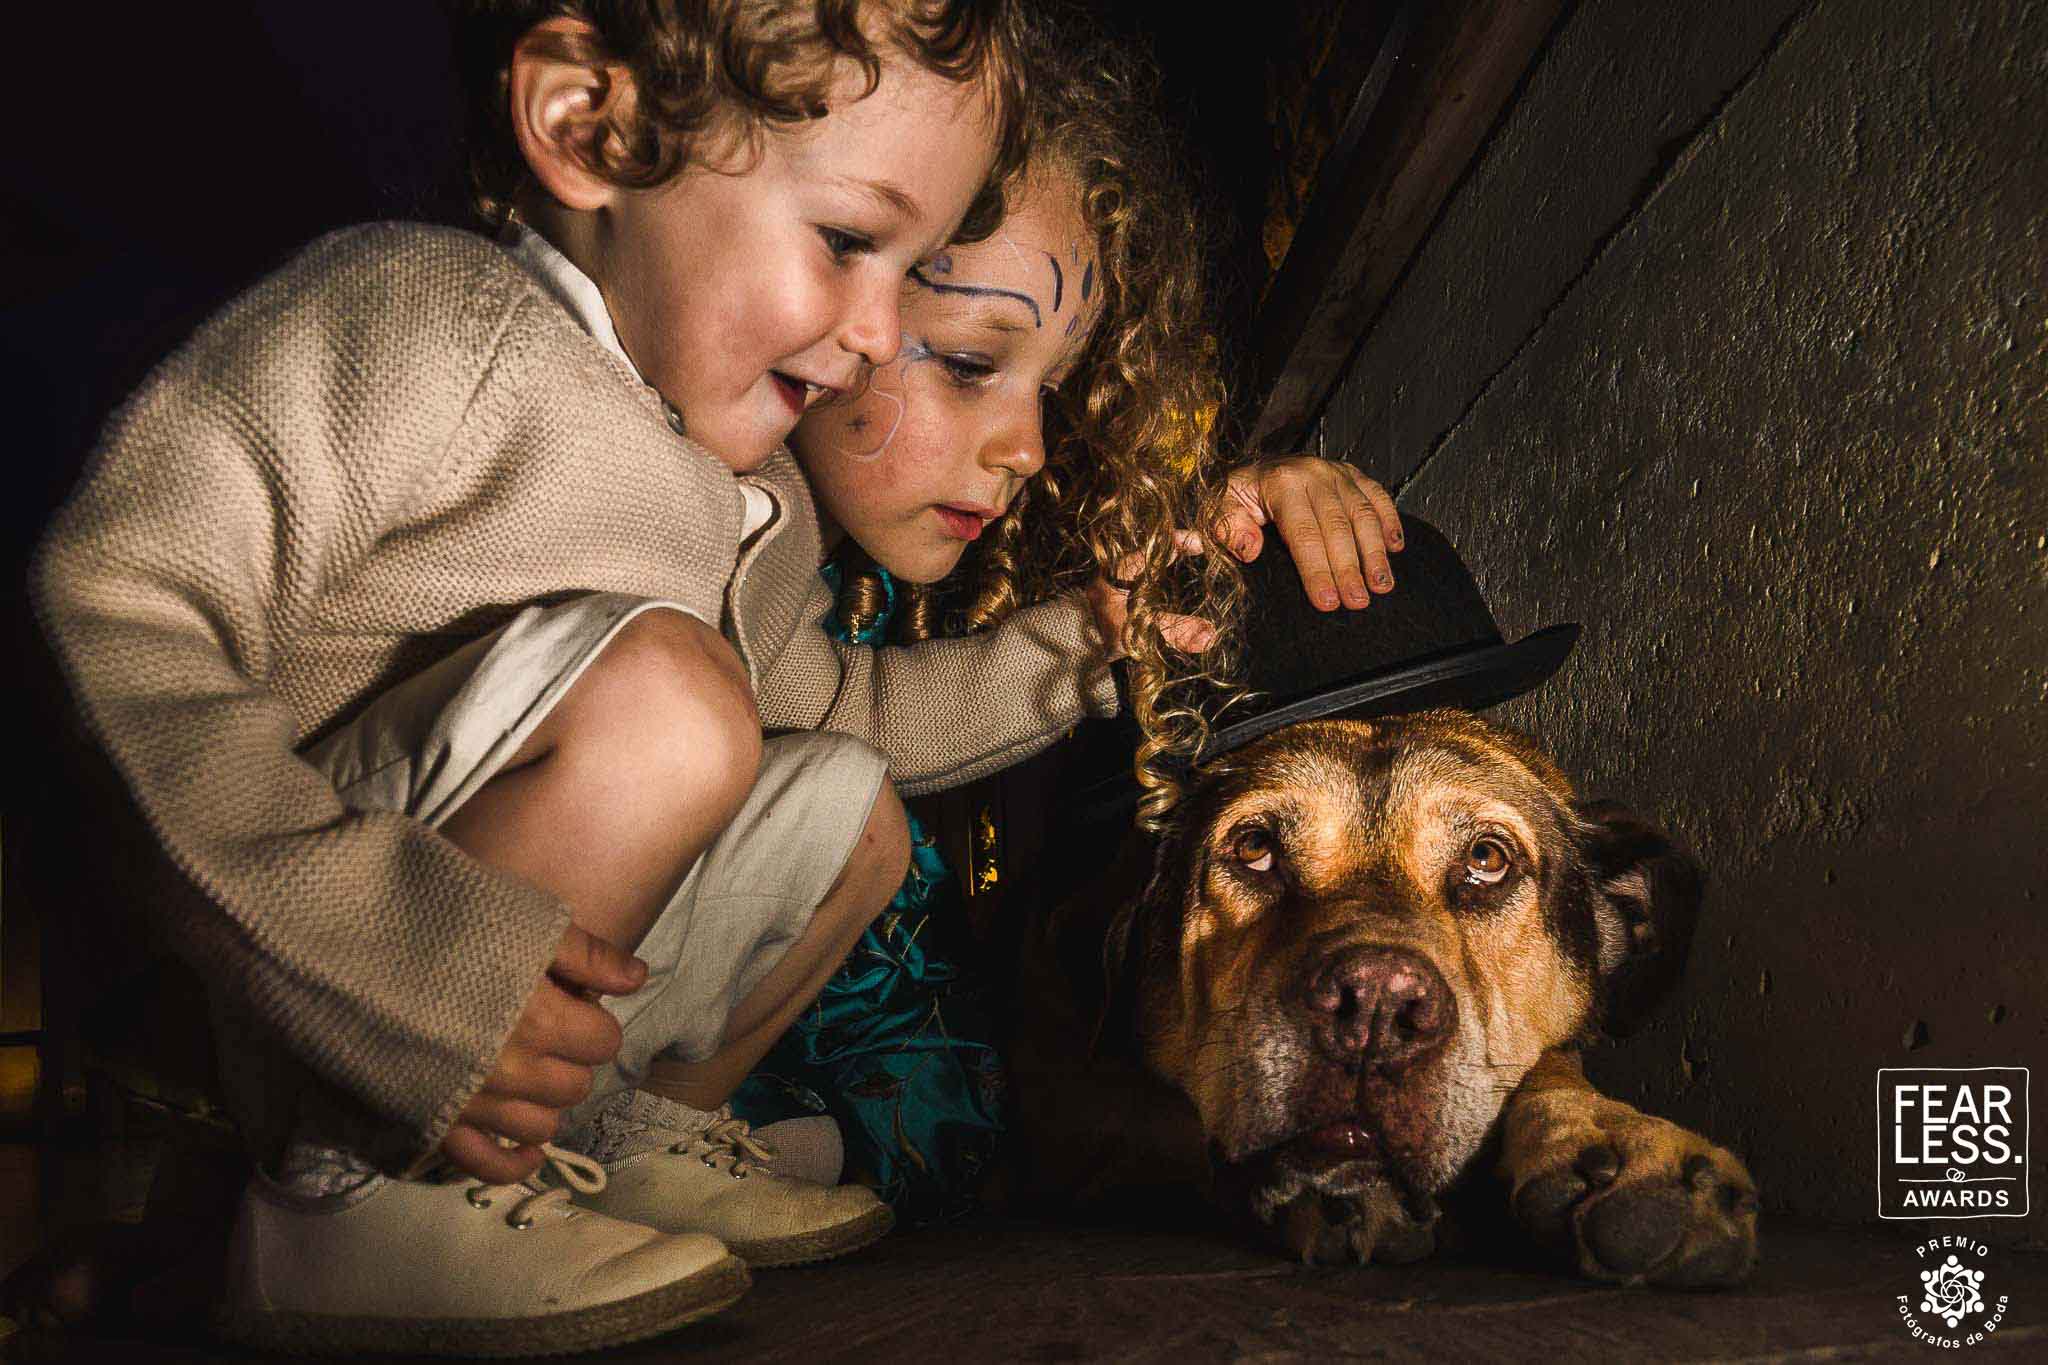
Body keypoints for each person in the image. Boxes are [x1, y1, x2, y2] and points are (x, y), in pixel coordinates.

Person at [28, 1, 1038, 1353]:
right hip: (287, 984)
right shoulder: (422, 320)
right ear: (588, 127)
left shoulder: (752, 493)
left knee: (849, 803)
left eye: (910, 268)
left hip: (496, 990)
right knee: (676, 707)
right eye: (851, 240)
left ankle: (610, 1145)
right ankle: (342, 1201)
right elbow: (114, 601)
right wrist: (373, 946)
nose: (872, 333)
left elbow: (843, 709)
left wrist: (1089, 654)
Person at [723, 27, 1403, 1217]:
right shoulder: (705, 504)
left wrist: (1248, 506)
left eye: (1054, 385)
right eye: (975, 362)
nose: (1026, 448)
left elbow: (1093, 585)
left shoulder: (918, 560)